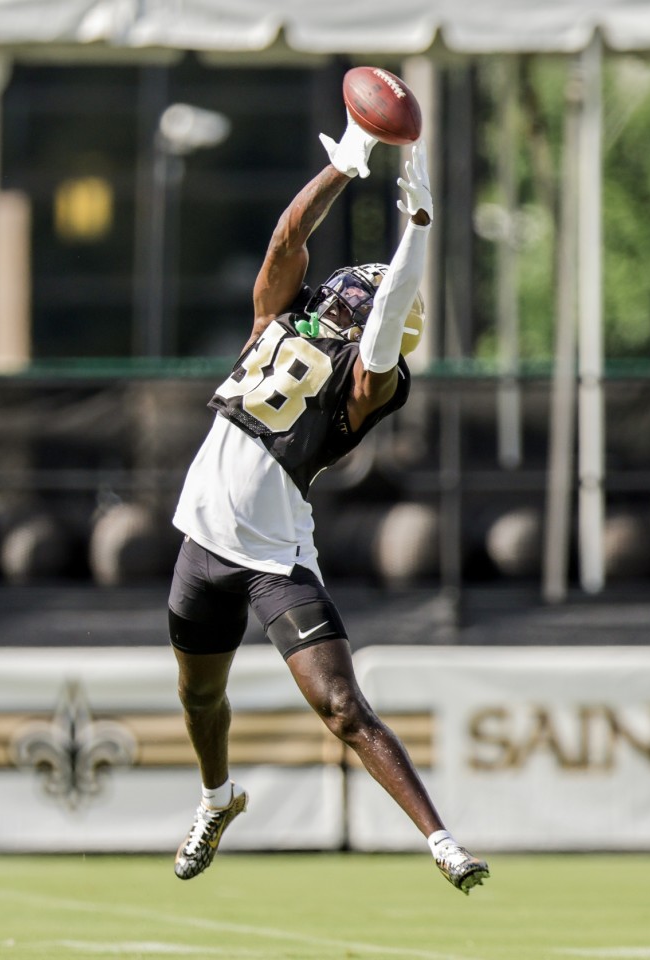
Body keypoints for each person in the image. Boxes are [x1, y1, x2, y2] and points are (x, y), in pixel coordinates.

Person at [166, 111, 490, 895]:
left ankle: (441, 840)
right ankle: (217, 799)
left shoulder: (369, 383)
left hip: (275, 559)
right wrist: (346, 165)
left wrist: (415, 234)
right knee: (199, 695)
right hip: (204, 542)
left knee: (342, 707)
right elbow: (286, 241)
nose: (357, 291)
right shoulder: (274, 319)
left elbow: (381, 343)